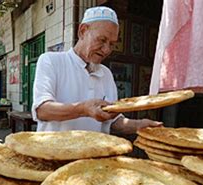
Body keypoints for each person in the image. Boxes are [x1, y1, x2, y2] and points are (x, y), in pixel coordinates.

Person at [32, 6, 162, 134]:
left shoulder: (106, 74)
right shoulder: (51, 61)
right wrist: (83, 109)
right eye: (102, 40)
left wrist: (140, 125)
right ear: (82, 31)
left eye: (112, 44)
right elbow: (42, 110)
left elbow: (111, 122)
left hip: (94, 153)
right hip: (55, 153)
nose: (106, 50)